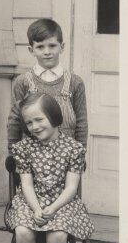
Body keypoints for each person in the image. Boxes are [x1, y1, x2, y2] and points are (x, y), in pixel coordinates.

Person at [5, 93, 94, 243]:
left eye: (39, 119)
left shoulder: (73, 148)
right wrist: (36, 209)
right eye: (29, 122)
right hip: (30, 200)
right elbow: (26, 184)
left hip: (62, 202)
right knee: (23, 231)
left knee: (58, 235)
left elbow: (71, 187)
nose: (34, 126)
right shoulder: (23, 148)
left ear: (54, 116)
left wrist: (53, 208)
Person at [6, 18, 88, 148]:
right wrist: (13, 152)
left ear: (62, 47)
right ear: (31, 50)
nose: (47, 52)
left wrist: (80, 154)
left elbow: (81, 124)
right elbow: (14, 122)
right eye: (40, 47)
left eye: (52, 46)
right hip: (31, 155)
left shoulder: (75, 82)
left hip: (66, 155)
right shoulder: (22, 82)